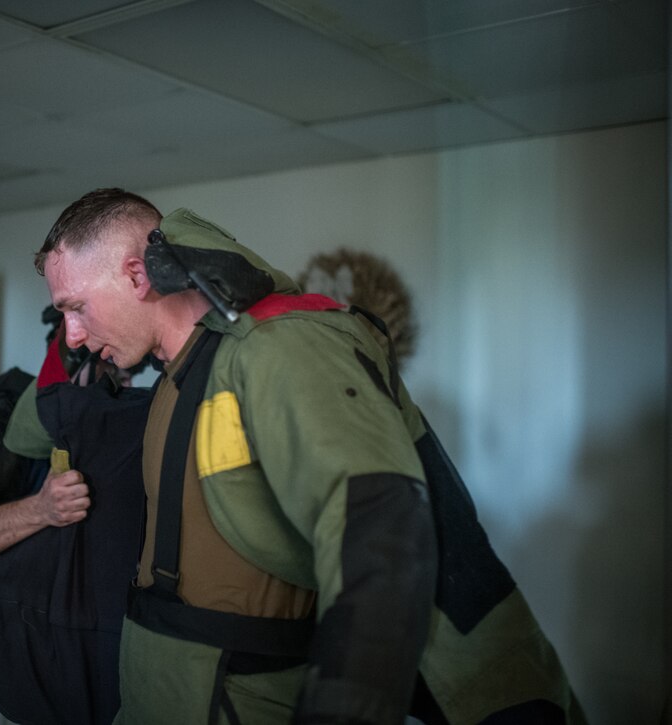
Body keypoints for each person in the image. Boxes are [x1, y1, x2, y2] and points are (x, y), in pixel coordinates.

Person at [34, 188, 585, 724]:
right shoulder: (179, 378)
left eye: (75, 308)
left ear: (136, 275)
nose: (73, 336)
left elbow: (378, 526)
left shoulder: (281, 348)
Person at [0, 307, 150, 725]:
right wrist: (39, 509)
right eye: (108, 360)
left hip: (74, 658)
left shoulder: (114, 418)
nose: (122, 380)